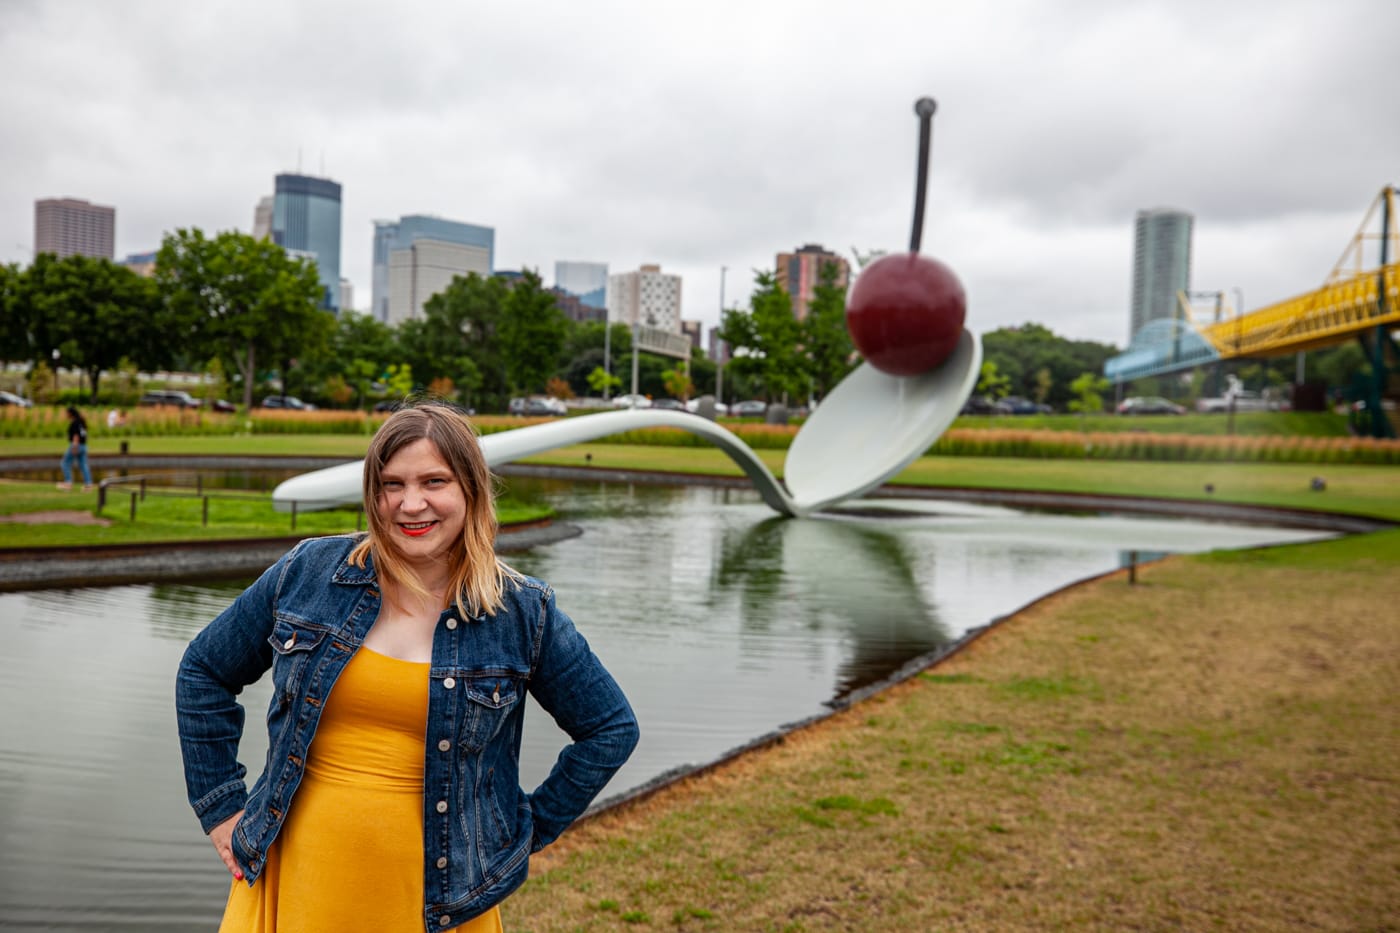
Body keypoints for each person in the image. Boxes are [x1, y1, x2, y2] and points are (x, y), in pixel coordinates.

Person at [176, 403, 639, 932]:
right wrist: (220, 807)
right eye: (391, 484)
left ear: (470, 488)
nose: (410, 503)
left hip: (437, 899)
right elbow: (203, 671)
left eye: (434, 481)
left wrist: (521, 832)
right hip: (297, 873)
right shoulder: (310, 572)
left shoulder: (522, 612)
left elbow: (610, 729)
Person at [58, 406, 92, 490]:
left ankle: (68, 483)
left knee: (65, 463)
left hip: (76, 445)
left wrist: (74, 446)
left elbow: (76, 435)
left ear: (70, 413)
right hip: (83, 445)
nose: (66, 415)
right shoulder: (81, 422)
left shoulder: (75, 422)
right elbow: (85, 435)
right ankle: (88, 484)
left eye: (67, 413)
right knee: (83, 465)